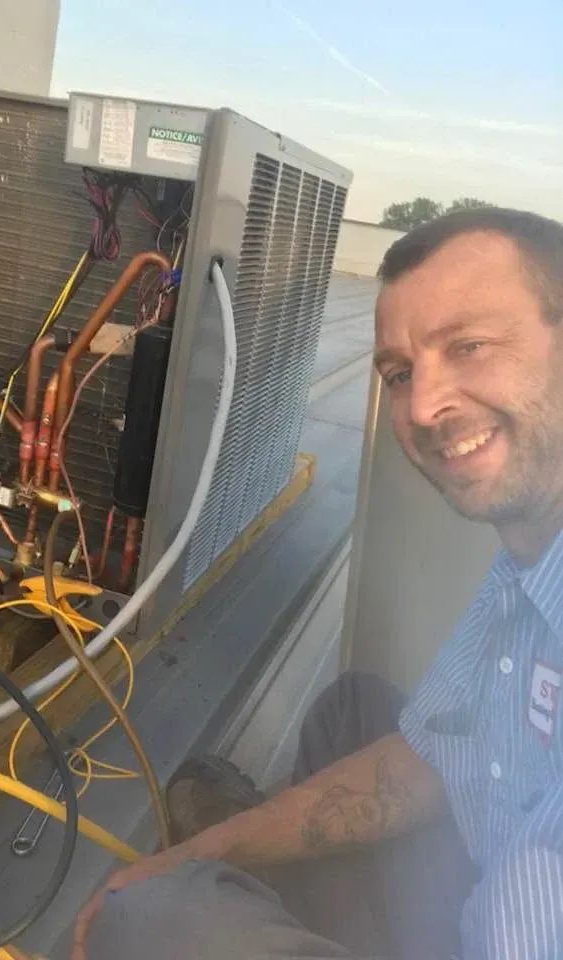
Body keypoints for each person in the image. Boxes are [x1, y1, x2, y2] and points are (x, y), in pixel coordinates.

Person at [71, 207, 563, 960]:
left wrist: (174, 897)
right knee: (354, 710)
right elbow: (436, 756)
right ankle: (257, 891)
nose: (423, 406)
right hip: (474, 882)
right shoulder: (524, 570)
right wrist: (208, 852)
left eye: (468, 346)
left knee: (152, 922)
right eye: (399, 373)